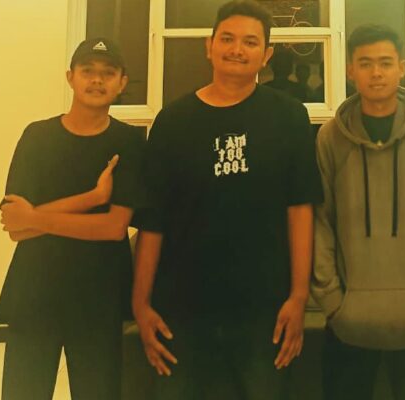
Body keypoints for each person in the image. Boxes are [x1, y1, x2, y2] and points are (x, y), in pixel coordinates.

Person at [130, 1, 323, 399]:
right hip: (181, 306)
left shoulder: (289, 117)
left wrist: (299, 296)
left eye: (250, 42)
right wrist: (141, 302)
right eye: (228, 39)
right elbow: (153, 219)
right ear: (210, 45)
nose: (237, 49)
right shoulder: (173, 120)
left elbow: (300, 210)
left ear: (267, 54)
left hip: (264, 307)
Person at [311, 24, 405, 400]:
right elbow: (321, 222)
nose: (376, 73)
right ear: (350, 70)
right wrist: (331, 301)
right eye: (365, 63)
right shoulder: (330, 138)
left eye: (385, 63)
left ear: (402, 68)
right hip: (348, 324)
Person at [0, 37, 145, 400]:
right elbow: (14, 225)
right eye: (87, 71)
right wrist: (92, 199)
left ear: (122, 82)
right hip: (35, 290)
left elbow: (112, 228)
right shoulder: (37, 136)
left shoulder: (129, 142)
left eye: (107, 73)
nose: (97, 80)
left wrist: (35, 218)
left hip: (99, 295)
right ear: (70, 77)